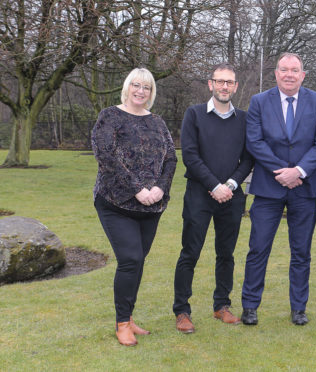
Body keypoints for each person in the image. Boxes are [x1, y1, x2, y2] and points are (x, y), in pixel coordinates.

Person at [241, 52, 316, 326]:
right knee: (258, 248)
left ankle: (298, 309)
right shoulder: (259, 101)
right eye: (284, 70)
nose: (289, 74)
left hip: (305, 188)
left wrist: (299, 171)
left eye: (295, 70)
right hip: (269, 187)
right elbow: (254, 142)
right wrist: (282, 171)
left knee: (301, 251)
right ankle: (250, 307)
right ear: (276, 73)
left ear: (303, 75)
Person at [92, 68, 177, 346]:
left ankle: (129, 317)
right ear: (127, 87)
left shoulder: (158, 122)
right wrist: (137, 189)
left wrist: (159, 188)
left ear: (152, 93)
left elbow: (171, 159)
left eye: (147, 88)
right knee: (130, 260)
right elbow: (106, 157)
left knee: (138, 262)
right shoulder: (109, 116)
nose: (141, 91)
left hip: (151, 206)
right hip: (116, 203)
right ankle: (122, 324)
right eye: (136, 86)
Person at [173, 63, 253, 334]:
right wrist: (213, 185)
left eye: (229, 82)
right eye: (219, 81)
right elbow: (190, 156)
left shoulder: (243, 119)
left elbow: (249, 158)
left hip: (231, 195)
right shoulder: (194, 114)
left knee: (226, 254)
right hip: (200, 194)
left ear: (235, 86)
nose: (224, 86)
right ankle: (182, 311)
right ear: (210, 84)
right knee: (190, 253)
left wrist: (229, 184)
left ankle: (222, 306)